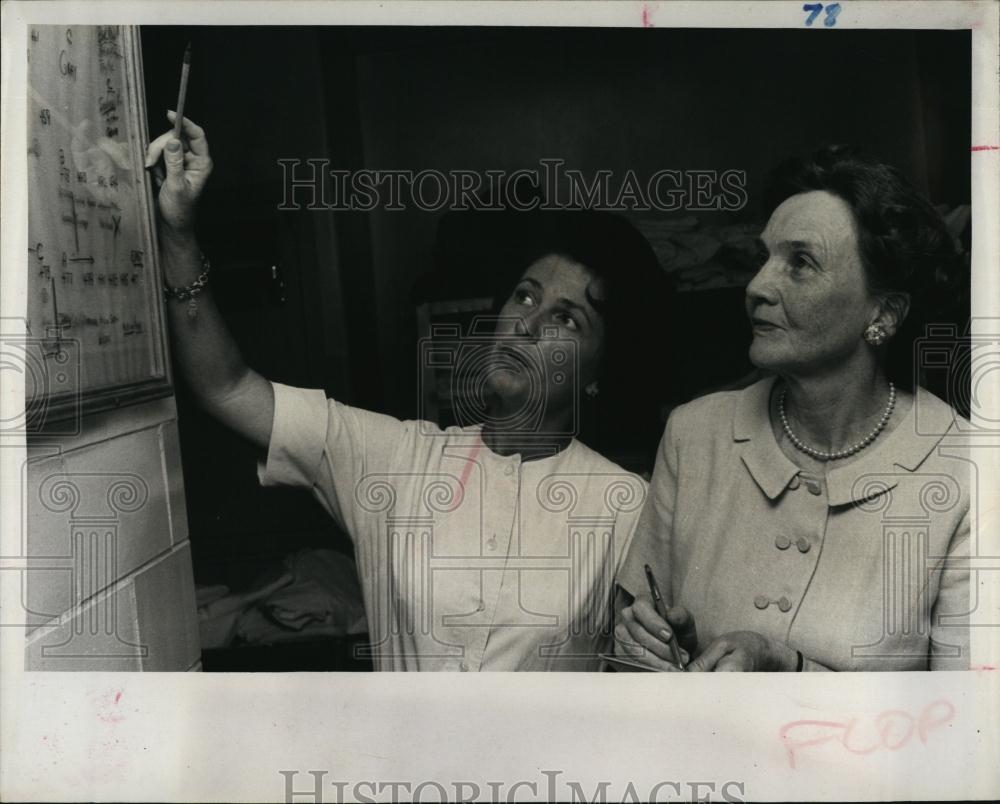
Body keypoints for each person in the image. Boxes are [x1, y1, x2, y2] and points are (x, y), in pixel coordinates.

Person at [145, 112, 669, 671]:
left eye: (567, 319)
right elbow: (224, 386)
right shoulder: (395, 460)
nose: (529, 324)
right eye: (524, 297)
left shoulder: (624, 504)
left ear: (598, 373)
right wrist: (178, 231)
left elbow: (639, 670)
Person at [614, 146, 970, 671]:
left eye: (800, 263)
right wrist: (647, 647)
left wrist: (789, 670)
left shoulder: (967, 470)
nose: (757, 286)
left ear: (885, 312)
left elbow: (967, 725)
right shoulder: (694, 435)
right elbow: (628, 656)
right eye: (765, 257)